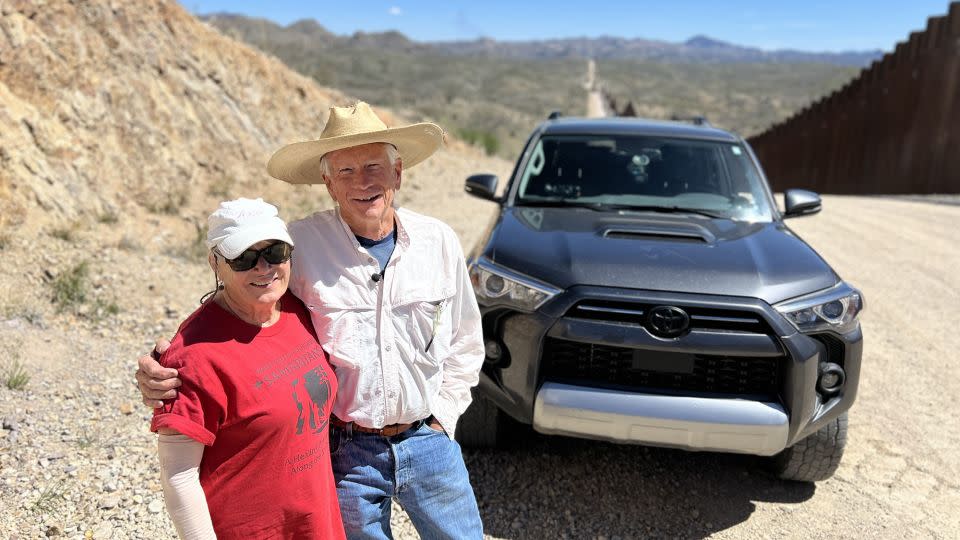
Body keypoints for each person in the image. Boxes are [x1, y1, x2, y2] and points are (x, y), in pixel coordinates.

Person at [137, 102, 486, 539]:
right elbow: (245, 295)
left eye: (374, 165)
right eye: (346, 171)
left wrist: (443, 417)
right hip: (346, 450)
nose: (363, 181)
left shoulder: (438, 241)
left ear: (397, 173)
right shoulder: (297, 245)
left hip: (428, 437)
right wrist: (169, 363)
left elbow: (467, 340)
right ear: (327, 183)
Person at [151, 198, 345, 539]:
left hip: (318, 525)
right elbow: (179, 476)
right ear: (215, 262)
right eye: (243, 258)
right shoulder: (195, 352)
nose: (263, 267)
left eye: (274, 252)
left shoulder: (296, 310)